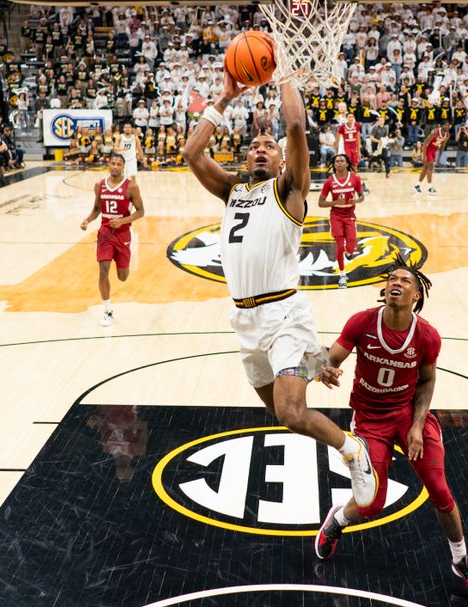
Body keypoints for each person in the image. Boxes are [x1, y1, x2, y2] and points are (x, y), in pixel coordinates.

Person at [183, 69, 377, 508]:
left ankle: (353, 450)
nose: (260, 150)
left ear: (282, 161)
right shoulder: (232, 191)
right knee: (281, 413)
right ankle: (312, 360)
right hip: (245, 320)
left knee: (291, 411)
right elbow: (192, 152)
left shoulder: (290, 190)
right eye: (254, 146)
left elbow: (293, 126)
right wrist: (226, 96)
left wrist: (284, 73)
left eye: (268, 148)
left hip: (283, 313)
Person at [314, 257, 468, 600]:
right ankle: (336, 521)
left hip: (409, 414)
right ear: (385, 290)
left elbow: (426, 382)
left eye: (405, 281)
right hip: (369, 418)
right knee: (371, 505)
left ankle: (462, 561)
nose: (396, 283)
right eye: (392, 279)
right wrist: (318, 367)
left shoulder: (427, 335)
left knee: (440, 490)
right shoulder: (363, 321)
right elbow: (330, 356)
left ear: (416, 295)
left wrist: (416, 425)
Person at [80, 153, 144, 326]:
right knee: (102, 271)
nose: (115, 166)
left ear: (123, 167)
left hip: (123, 234)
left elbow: (140, 212)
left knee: (122, 276)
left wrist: (122, 221)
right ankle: (108, 310)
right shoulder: (99, 185)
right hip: (105, 233)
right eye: (113, 163)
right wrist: (87, 220)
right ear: (108, 165)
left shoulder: (131, 187)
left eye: (118, 164)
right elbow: (96, 208)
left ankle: (122, 265)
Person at [319, 154, 364, 289]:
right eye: (336, 161)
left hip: (349, 214)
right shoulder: (329, 182)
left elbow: (362, 196)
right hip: (336, 215)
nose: (338, 163)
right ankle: (342, 274)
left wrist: (356, 200)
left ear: (346, 164)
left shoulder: (355, 179)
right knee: (339, 246)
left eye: (341, 161)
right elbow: (320, 202)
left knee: (351, 243)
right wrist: (334, 202)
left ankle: (349, 253)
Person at [415, 124, 449, 195]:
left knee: (425, 168)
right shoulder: (435, 132)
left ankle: (417, 185)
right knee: (430, 168)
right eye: (445, 125)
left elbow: (442, 146)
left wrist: (439, 157)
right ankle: (430, 188)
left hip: (433, 150)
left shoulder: (447, 135)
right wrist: (424, 155)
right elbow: (425, 143)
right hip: (428, 149)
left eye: (448, 125)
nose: (447, 127)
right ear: (442, 126)